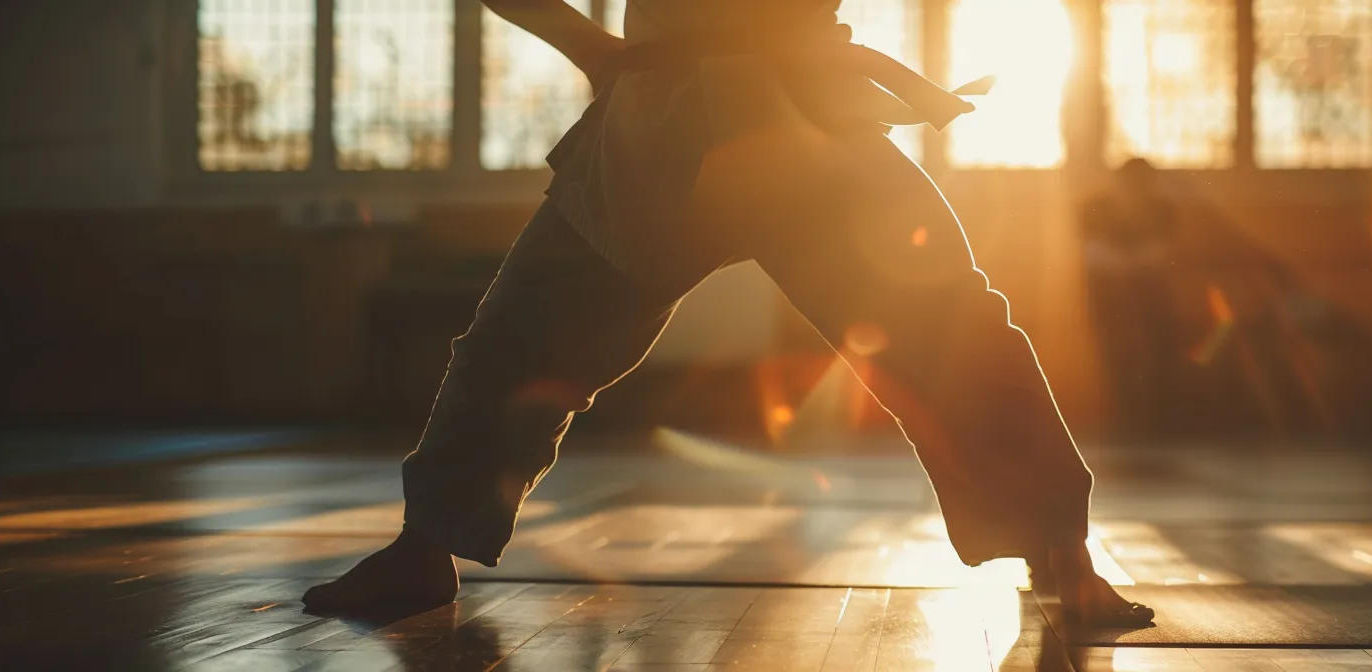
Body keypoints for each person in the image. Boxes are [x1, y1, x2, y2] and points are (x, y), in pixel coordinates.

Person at [301, 0, 1152, 626]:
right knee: (520, 336)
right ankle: (427, 547)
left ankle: (1057, 545)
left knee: (957, 332)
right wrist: (593, 48)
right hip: (667, 115)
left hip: (806, 115)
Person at [1079, 158, 1187, 438]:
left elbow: (1163, 252)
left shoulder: (1161, 209)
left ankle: (1157, 419)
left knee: (1161, 343)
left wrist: (1130, 264)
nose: (1136, 192)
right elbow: (1091, 252)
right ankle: (1121, 417)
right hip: (1108, 293)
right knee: (1115, 348)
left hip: (1148, 294)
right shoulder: (1094, 207)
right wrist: (1127, 264)